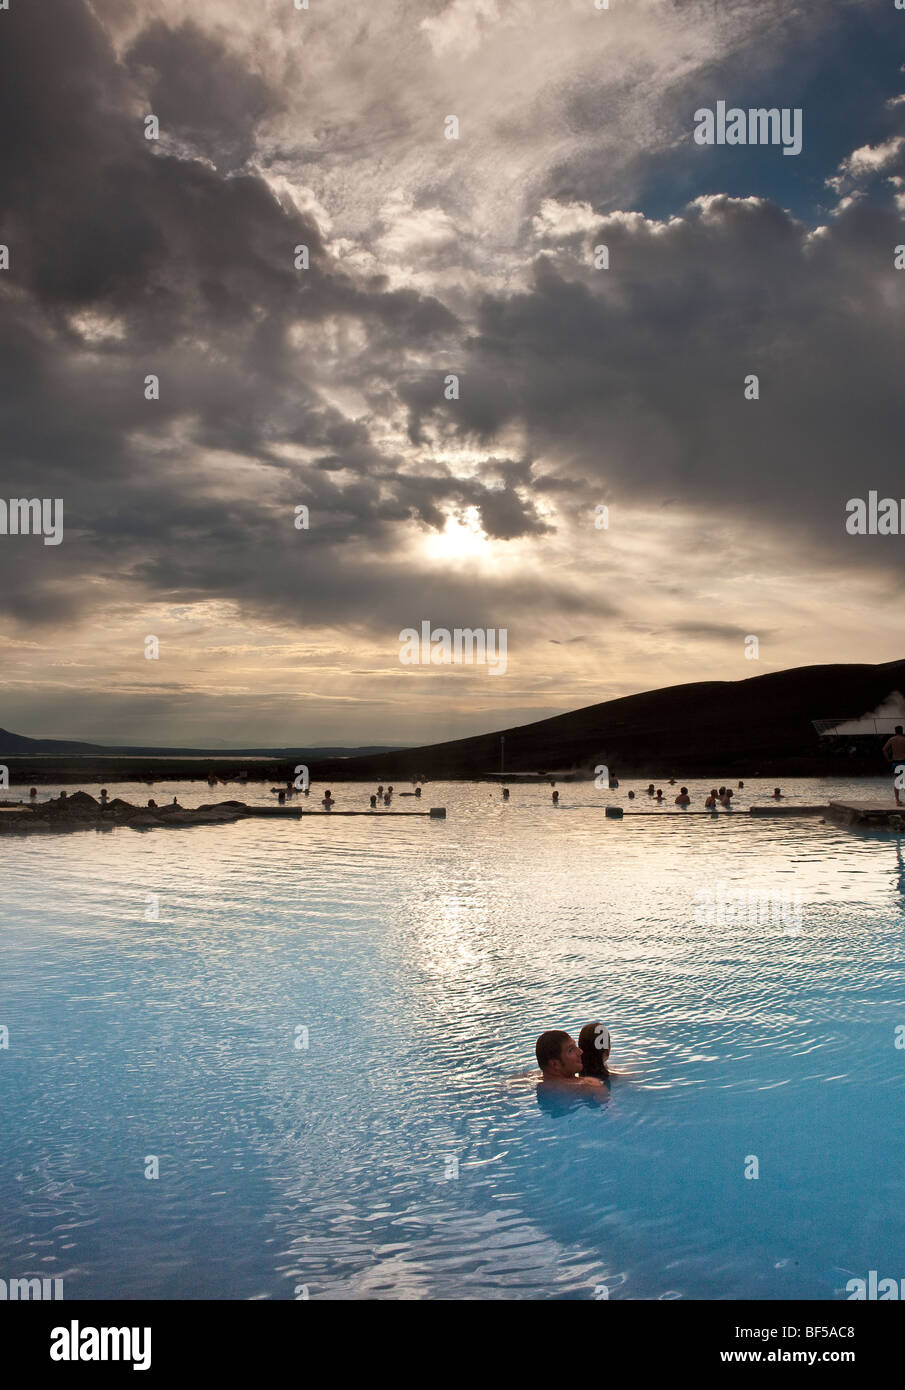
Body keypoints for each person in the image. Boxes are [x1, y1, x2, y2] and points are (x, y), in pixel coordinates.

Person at [535, 1031, 606, 1094]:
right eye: (571, 1050)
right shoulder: (590, 1087)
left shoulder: (532, 1079)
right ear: (555, 1064)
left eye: (575, 1046)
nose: (580, 1052)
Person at [882, 726, 905, 806]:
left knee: (897, 781)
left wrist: (888, 759)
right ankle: (900, 801)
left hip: (895, 762)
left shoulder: (892, 739)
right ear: (902, 731)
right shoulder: (904, 739)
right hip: (903, 762)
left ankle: (897, 801)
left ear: (895, 731)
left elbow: (884, 749)